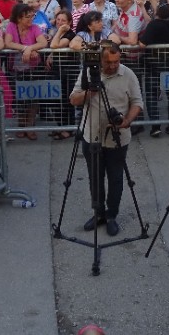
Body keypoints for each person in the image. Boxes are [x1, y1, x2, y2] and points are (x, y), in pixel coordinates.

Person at [69, 42, 143, 237]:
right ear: (99, 59)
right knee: (95, 178)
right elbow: (73, 99)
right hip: (91, 135)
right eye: (108, 62)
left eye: (116, 61)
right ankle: (98, 213)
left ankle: (112, 216)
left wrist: (127, 121)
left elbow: (137, 103)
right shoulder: (87, 73)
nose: (113, 66)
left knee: (116, 178)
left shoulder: (127, 74)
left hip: (118, 138)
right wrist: (89, 92)